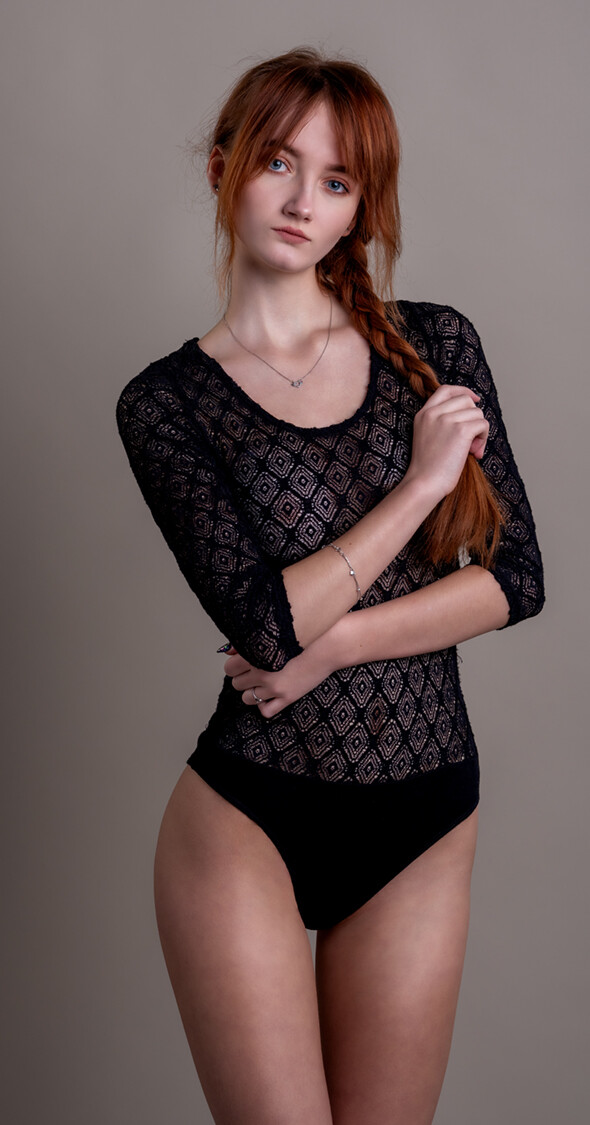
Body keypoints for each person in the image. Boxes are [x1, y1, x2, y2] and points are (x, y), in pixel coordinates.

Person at [116, 47, 544, 1125]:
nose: (304, 200)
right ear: (221, 168)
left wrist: (338, 644)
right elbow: (265, 626)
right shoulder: (167, 404)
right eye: (277, 162)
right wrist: (418, 487)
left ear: (360, 206)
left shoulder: (434, 345)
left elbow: (516, 580)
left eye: (337, 180)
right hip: (248, 818)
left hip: (424, 812)